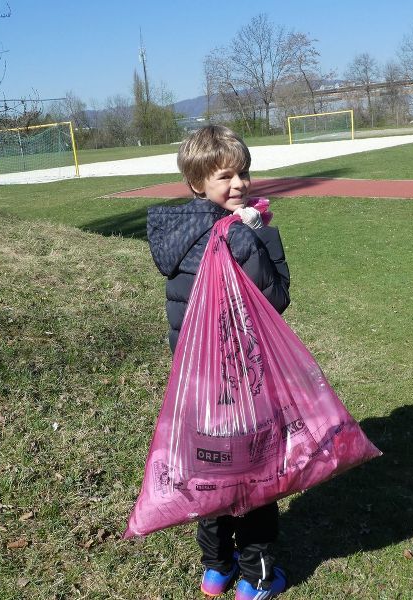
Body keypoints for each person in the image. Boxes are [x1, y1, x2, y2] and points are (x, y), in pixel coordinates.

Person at [147, 125, 291, 599]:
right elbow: (274, 298)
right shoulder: (240, 234)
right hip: (241, 381)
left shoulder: (178, 235)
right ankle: (257, 578)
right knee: (254, 477)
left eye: (244, 173)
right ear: (197, 183)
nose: (240, 185)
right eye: (226, 176)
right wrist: (255, 237)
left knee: (209, 473)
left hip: (197, 386)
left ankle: (216, 568)